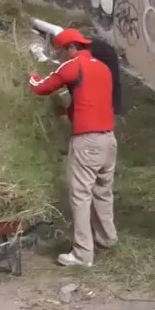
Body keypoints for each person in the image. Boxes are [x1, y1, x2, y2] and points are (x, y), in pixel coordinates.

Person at [28, 28, 117, 267]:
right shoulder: (103, 68)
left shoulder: (73, 65)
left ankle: (82, 254)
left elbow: (41, 87)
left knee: (80, 195)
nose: (61, 56)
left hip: (86, 140)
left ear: (71, 48)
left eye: (61, 51)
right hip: (108, 139)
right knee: (103, 191)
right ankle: (107, 239)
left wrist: (32, 76)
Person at [89, 37, 123, 115]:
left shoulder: (86, 48)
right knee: (113, 83)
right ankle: (114, 108)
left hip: (108, 57)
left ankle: (115, 108)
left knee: (112, 82)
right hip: (106, 54)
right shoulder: (87, 45)